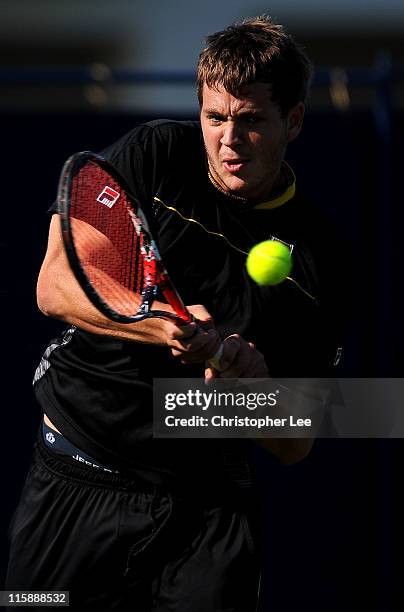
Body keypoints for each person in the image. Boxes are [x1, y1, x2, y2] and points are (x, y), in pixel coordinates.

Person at [6, 16, 343, 611]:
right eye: (215, 118)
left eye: (252, 121)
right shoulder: (154, 154)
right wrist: (166, 325)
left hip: (206, 516)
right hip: (77, 476)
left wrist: (251, 388)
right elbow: (56, 285)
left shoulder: (320, 257)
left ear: (293, 120)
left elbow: (299, 442)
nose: (229, 141)